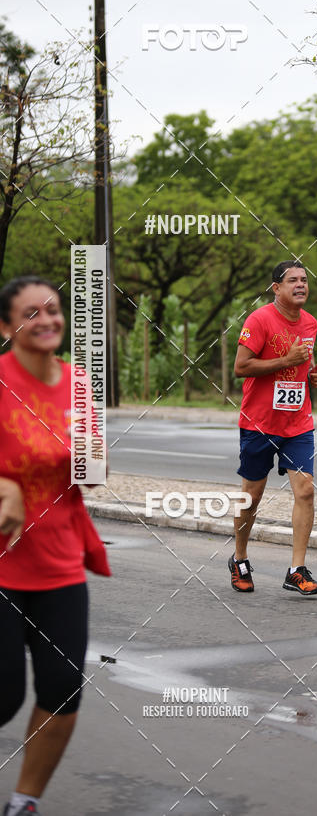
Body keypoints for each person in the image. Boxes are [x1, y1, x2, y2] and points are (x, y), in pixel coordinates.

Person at [0, 275, 110, 816]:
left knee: (63, 689)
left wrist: (94, 459)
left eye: (52, 310)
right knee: (2, 698)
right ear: (5, 327)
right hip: (2, 569)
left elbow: (92, 470)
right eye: (29, 313)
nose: (45, 320)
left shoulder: (79, 384)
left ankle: (23, 802)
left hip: (61, 564)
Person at [230, 260, 317, 595]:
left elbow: (305, 363)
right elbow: (241, 367)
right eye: (293, 280)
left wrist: (313, 375)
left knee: (306, 490)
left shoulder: (311, 323)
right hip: (260, 422)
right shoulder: (259, 320)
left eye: (305, 279)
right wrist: (285, 362)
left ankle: (296, 570)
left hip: (298, 421)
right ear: (276, 288)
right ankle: (240, 558)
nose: (301, 285)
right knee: (252, 496)